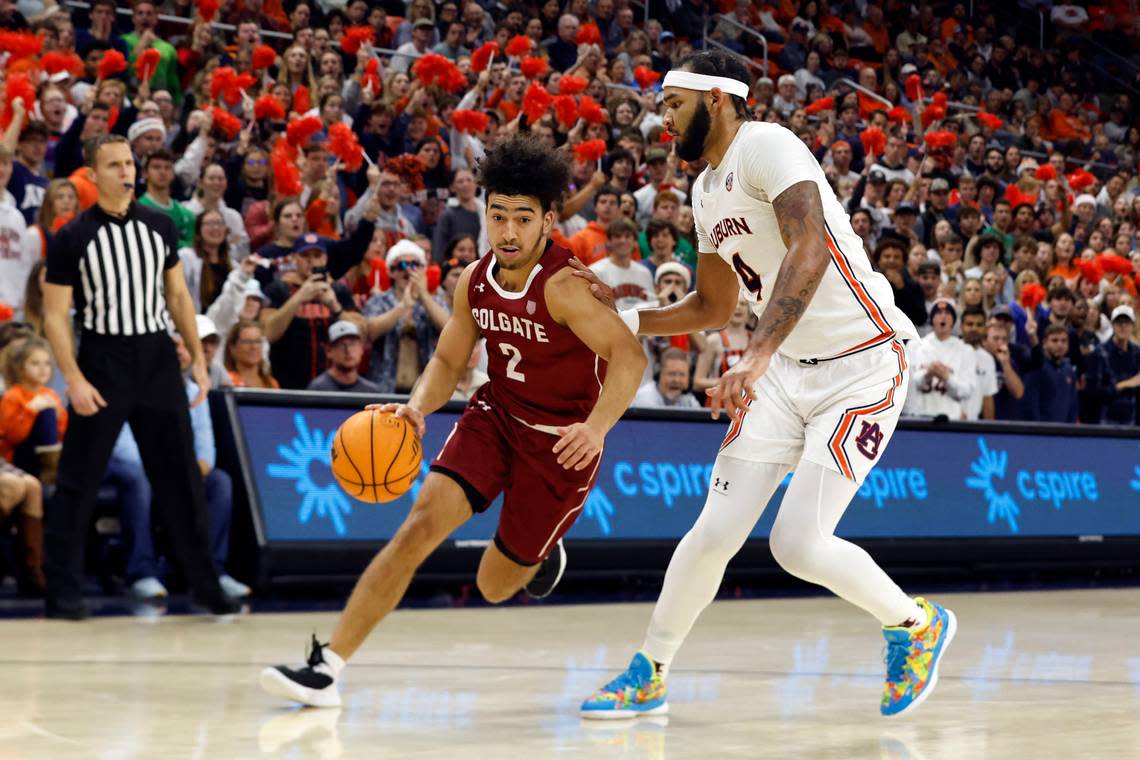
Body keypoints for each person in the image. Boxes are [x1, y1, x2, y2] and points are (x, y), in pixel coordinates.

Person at [573, 52, 953, 720]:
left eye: (672, 105)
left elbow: (811, 248)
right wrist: (623, 316)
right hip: (781, 372)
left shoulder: (767, 145)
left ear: (718, 98)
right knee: (714, 531)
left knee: (798, 545)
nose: (662, 120)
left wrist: (757, 351)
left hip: (863, 364)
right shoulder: (704, 190)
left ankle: (916, 625)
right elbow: (712, 308)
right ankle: (650, 671)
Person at [261, 134, 646, 708]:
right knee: (418, 526)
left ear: (547, 221)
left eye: (523, 218)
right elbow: (446, 359)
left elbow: (630, 357)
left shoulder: (566, 288)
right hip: (496, 414)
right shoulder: (475, 279)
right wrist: (416, 407)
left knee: (494, 586)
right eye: (498, 216)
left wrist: (596, 428)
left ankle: (540, 557)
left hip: (560, 444)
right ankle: (328, 667)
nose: (508, 231)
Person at [40, 134, 238, 619]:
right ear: (92, 174)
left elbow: (178, 297)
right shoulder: (72, 236)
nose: (126, 172)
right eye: (114, 165)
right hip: (102, 358)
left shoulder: (160, 224)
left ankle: (205, 584)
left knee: (182, 478)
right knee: (78, 481)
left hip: (155, 357)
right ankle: (62, 590)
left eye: (129, 163)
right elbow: (54, 316)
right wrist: (74, 378)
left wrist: (196, 357)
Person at [116, 334, 251, 602]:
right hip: (139, 468)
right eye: (172, 344)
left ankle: (213, 570)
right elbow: (124, 446)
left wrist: (185, 473)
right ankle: (142, 572)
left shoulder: (193, 391)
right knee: (137, 477)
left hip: (175, 471)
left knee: (219, 481)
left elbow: (205, 451)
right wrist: (165, 473)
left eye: (184, 345)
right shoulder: (131, 384)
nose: (179, 351)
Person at [262, 233, 366, 389]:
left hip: (333, 385)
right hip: (288, 383)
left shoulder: (339, 291)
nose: (311, 261)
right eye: (305, 256)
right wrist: (298, 298)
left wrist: (334, 306)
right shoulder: (278, 289)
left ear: (324, 259)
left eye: (317, 256)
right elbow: (267, 334)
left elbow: (362, 333)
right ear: (294, 258)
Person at [362, 240, 451, 392]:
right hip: (384, 388)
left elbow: (450, 331)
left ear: (423, 269)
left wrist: (423, 296)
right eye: (401, 266)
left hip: (425, 390)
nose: (408, 271)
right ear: (391, 271)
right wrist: (403, 307)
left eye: (415, 265)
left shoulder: (434, 302)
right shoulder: (379, 301)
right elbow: (369, 332)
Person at [0, 338, 67, 483]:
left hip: (47, 453)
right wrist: (30, 410)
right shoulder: (13, 395)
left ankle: (53, 466)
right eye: (35, 364)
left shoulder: (51, 394)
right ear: (20, 367)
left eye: (47, 364)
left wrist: (58, 414)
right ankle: (51, 468)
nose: (43, 369)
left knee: (51, 412)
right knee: (46, 413)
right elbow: (13, 436)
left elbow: (62, 433)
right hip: (18, 456)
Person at [904, 299, 977, 420]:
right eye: (938, 313)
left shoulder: (966, 350)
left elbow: (966, 391)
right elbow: (907, 386)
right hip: (920, 416)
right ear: (932, 319)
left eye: (947, 313)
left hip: (952, 418)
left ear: (953, 320)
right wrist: (927, 373)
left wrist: (946, 376)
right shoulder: (914, 345)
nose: (943, 316)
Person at [307, 321, 382, 393]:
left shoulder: (371, 392)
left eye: (352, 344)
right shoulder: (317, 389)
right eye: (341, 345)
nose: (348, 350)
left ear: (361, 348)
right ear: (329, 351)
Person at [1024, 325, 1078, 422]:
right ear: (1044, 343)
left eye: (1064, 341)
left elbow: (1072, 406)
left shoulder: (1069, 370)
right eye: (1054, 340)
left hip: (1064, 432)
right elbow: (1030, 404)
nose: (1060, 345)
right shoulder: (1037, 367)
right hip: (1040, 432)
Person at [1097, 305, 1140, 425]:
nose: (1123, 327)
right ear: (1112, 325)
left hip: (1133, 419)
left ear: (1133, 326)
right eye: (1119, 322)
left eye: (1127, 323)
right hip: (1107, 420)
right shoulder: (1100, 353)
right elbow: (1095, 393)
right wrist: (1125, 384)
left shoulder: (1137, 353)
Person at [959, 305, 998, 420]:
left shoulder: (988, 359)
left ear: (985, 329)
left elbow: (988, 398)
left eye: (979, 325)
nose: (974, 329)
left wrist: (989, 431)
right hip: (948, 423)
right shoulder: (949, 351)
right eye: (969, 324)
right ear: (961, 327)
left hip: (974, 425)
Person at [632, 347, 700, 408]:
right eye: (672, 374)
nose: (676, 380)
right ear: (659, 374)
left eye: (682, 375)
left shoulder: (690, 401)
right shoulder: (644, 399)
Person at [225, 320, 279, 389]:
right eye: (247, 342)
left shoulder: (272, 383)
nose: (254, 347)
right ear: (233, 347)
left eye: (257, 341)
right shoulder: (227, 381)